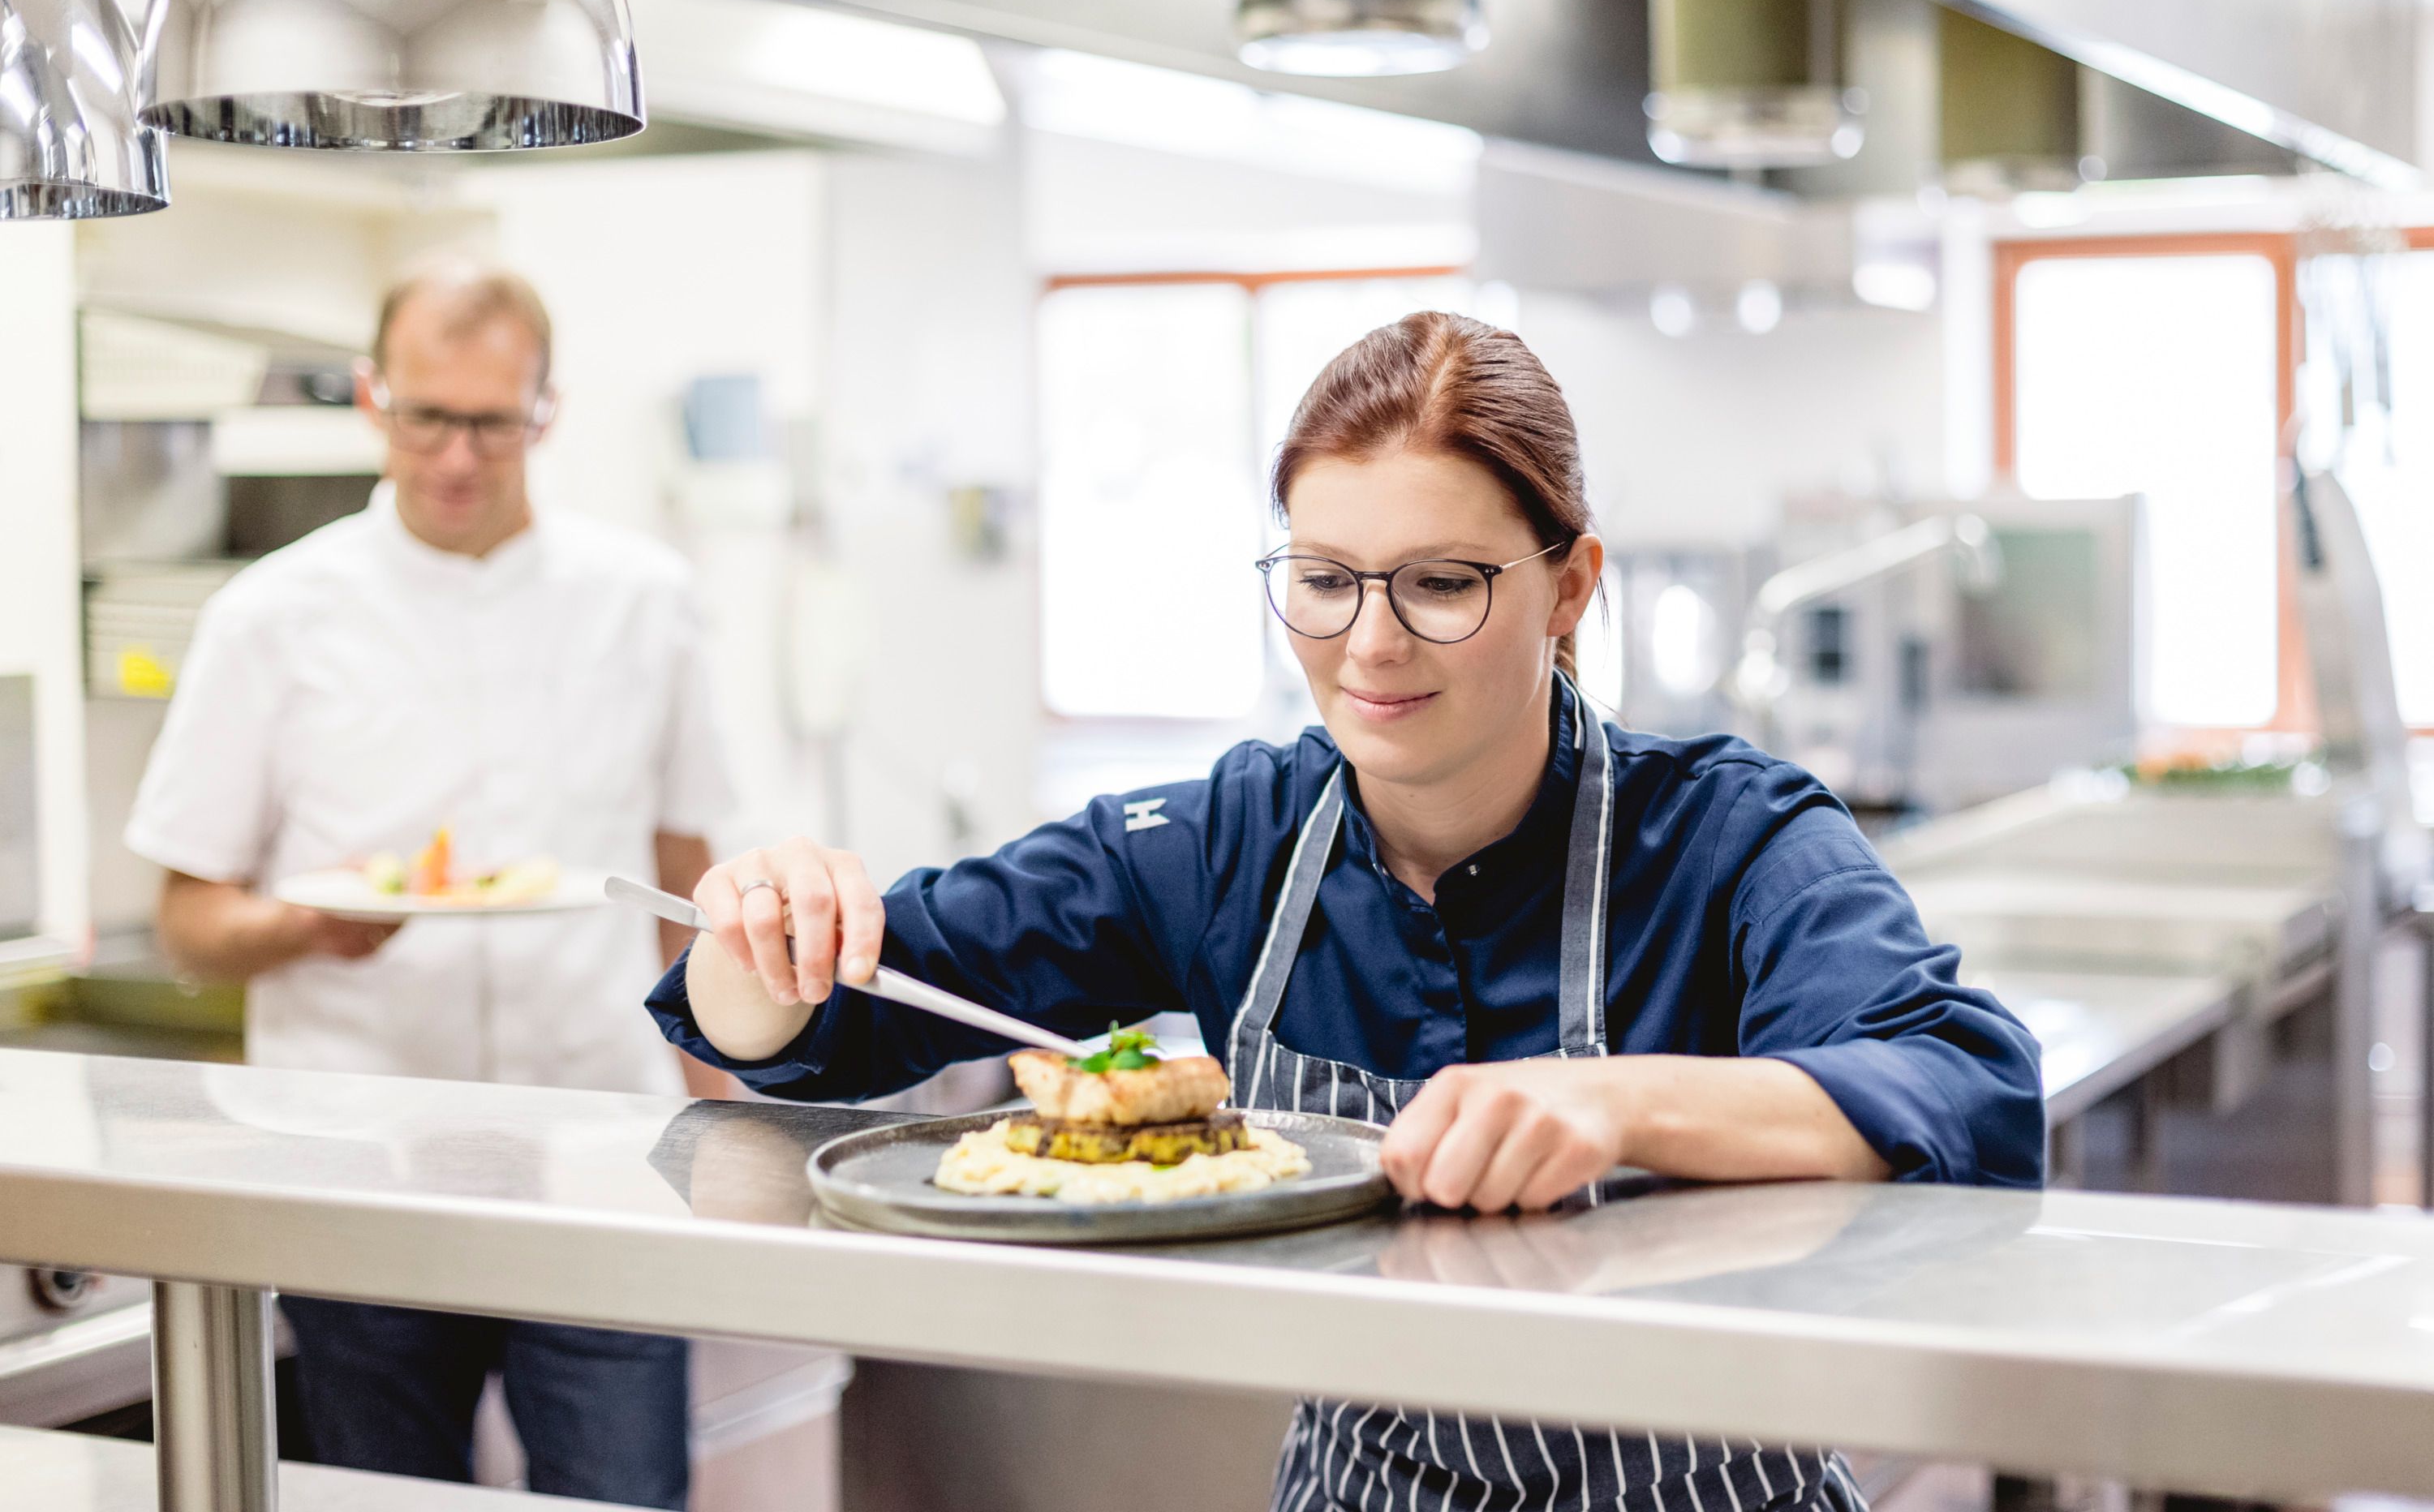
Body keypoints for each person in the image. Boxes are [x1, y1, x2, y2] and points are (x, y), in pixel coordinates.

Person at [648, 311, 2043, 1510]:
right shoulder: (1220, 843)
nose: (1370, 644)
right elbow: (832, 1016)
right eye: (1323, 581)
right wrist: (764, 931)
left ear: (1570, 585)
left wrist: (1620, 1107)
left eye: (1442, 585)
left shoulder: (1733, 839)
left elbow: (1966, 1093)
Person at [126, 264, 733, 1510]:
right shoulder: (271, 616)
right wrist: (304, 924)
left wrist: (725, 1133)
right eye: (426, 418)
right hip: (359, 1166)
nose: (457, 456)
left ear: (545, 414)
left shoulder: (646, 602)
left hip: (603, 1158)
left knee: (625, 1493)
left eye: (492, 422)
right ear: (370, 401)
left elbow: (692, 888)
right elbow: (185, 921)